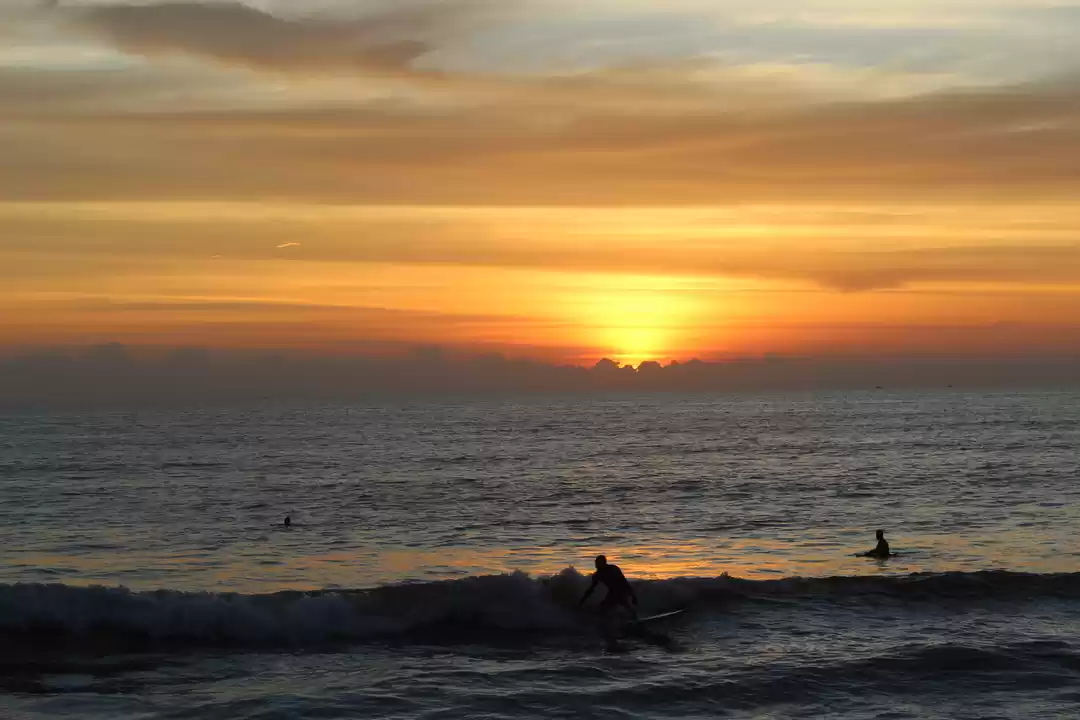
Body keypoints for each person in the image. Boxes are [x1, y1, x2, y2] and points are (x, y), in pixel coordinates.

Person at [579, 555, 638, 620]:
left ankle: (634, 618)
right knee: (603, 607)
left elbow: (624, 582)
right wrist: (582, 601)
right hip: (612, 592)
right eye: (596, 563)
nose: (596, 565)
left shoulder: (613, 569)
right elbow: (591, 589)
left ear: (604, 563)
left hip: (622, 589)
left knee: (624, 603)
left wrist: (633, 595)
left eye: (598, 563)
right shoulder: (597, 575)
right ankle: (609, 621)